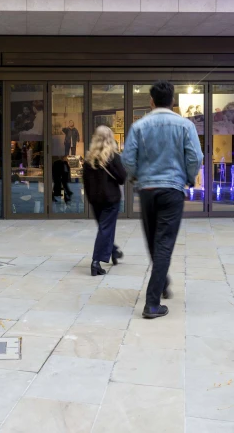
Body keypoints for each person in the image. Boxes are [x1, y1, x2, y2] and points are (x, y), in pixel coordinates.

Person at [123, 81, 203, 319]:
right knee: (164, 242)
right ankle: (152, 304)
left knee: (153, 241)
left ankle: (161, 282)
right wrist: (188, 179)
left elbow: (127, 158)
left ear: (151, 101)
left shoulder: (139, 126)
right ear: (173, 101)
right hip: (172, 189)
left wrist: (138, 176)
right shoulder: (185, 125)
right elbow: (195, 157)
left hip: (147, 190)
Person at [83, 126, 125, 277]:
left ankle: (113, 251)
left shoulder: (89, 159)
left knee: (104, 228)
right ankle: (96, 262)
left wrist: (90, 198)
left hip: (95, 200)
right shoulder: (113, 157)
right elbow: (122, 178)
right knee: (105, 229)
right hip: (111, 199)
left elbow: (86, 182)